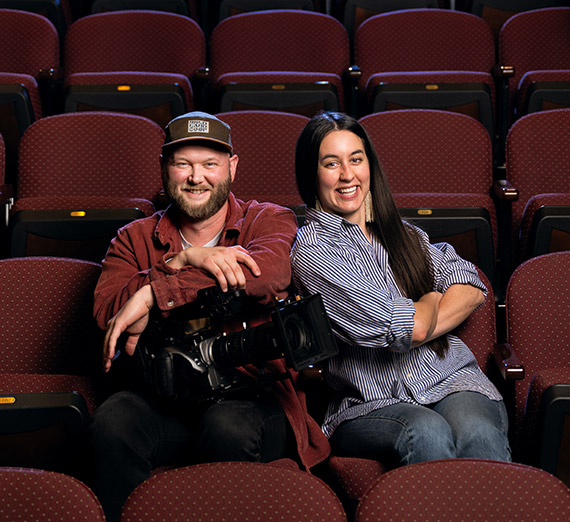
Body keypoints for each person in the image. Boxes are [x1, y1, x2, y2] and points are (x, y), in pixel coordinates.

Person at [89, 112, 330, 521]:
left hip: (255, 399)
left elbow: (268, 274)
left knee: (226, 426)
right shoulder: (133, 239)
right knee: (113, 421)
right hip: (166, 403)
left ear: (232, 167)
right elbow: (108, 313)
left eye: (209, 165)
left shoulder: (266, 219)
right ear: (165, 168)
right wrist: (184, 258)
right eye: (183, 164)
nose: (195, 177)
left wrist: (156, 290)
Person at [290, 111, 511, 469]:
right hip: (369, 403)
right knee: (426, 432)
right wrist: (431, 297)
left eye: (356, 159)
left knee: (478, 432)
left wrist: (425, 316)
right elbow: (405, 328)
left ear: (369, 165)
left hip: (450, 378)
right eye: (331, 163)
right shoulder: (313, 253)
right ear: (311, 175)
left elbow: (471, 286)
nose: (348, 175)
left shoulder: (403, 233)